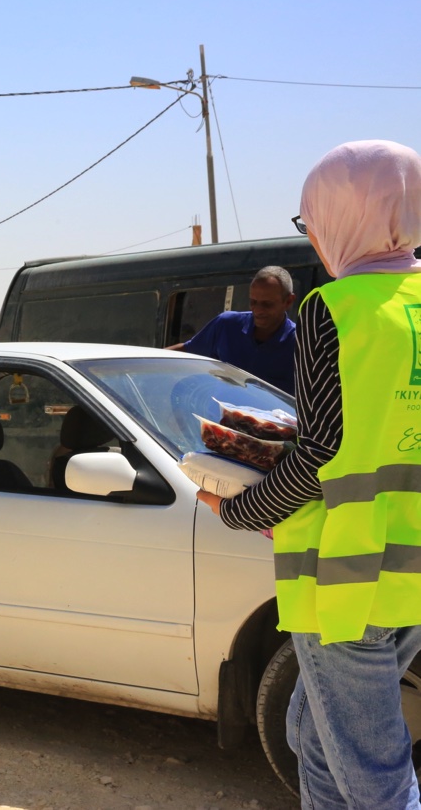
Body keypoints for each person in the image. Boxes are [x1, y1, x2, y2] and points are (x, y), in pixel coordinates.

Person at [199, 140, 421, 808]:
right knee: (310, 733)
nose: (315, 237)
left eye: (312, 220)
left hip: (347, 574)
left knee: (375, 775)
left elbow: (323, 450)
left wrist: (242, 508)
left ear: (344, 215)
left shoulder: (335, 307)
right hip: (410, 567)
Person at [167, 265, 298, 393]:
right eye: (253, 302)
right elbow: (186, 352)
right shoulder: (226, 325)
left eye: (267, 304)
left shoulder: (300, 344)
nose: (258, 310)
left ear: (288, 301)